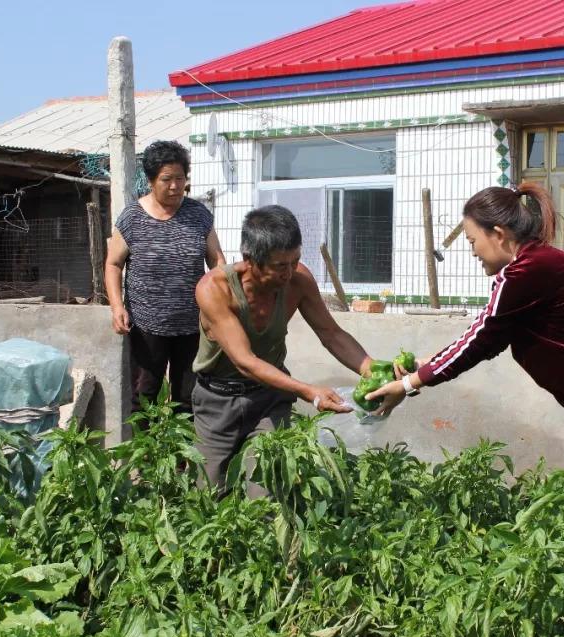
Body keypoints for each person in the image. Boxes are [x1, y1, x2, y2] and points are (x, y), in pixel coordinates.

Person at [367, 182, 564, 589]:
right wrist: (423, 369)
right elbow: (485, 337)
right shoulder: (533, 268)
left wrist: (411, 384)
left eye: (472, 240)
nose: (472, 251)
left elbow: (482, 337)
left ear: (498, 235)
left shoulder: (526, 271)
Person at [192, 204, 377, 493]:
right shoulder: (215, 289)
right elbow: (244, 361)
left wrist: (372, 370)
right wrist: (308, 391)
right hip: (218, 400)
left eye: (296, 261)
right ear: (249, 260)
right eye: (280, 265)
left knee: (266, 490)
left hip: (269, 399)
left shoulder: (298, 280)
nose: (290, 273)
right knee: (208, 493)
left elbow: (331, 333)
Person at [105, 140, 225, 420]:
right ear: (150, 180)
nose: (174, 186)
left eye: (180, 179)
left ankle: (183, 462)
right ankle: (146, 461)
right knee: (143, 396)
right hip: (147, 325)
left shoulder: (198, 215)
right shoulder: (132, 218)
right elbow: (113, 264)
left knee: (188, 398)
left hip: (192, 325)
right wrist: (116, 307)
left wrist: (220, 306)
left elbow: (217, 261)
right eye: (166, 179)